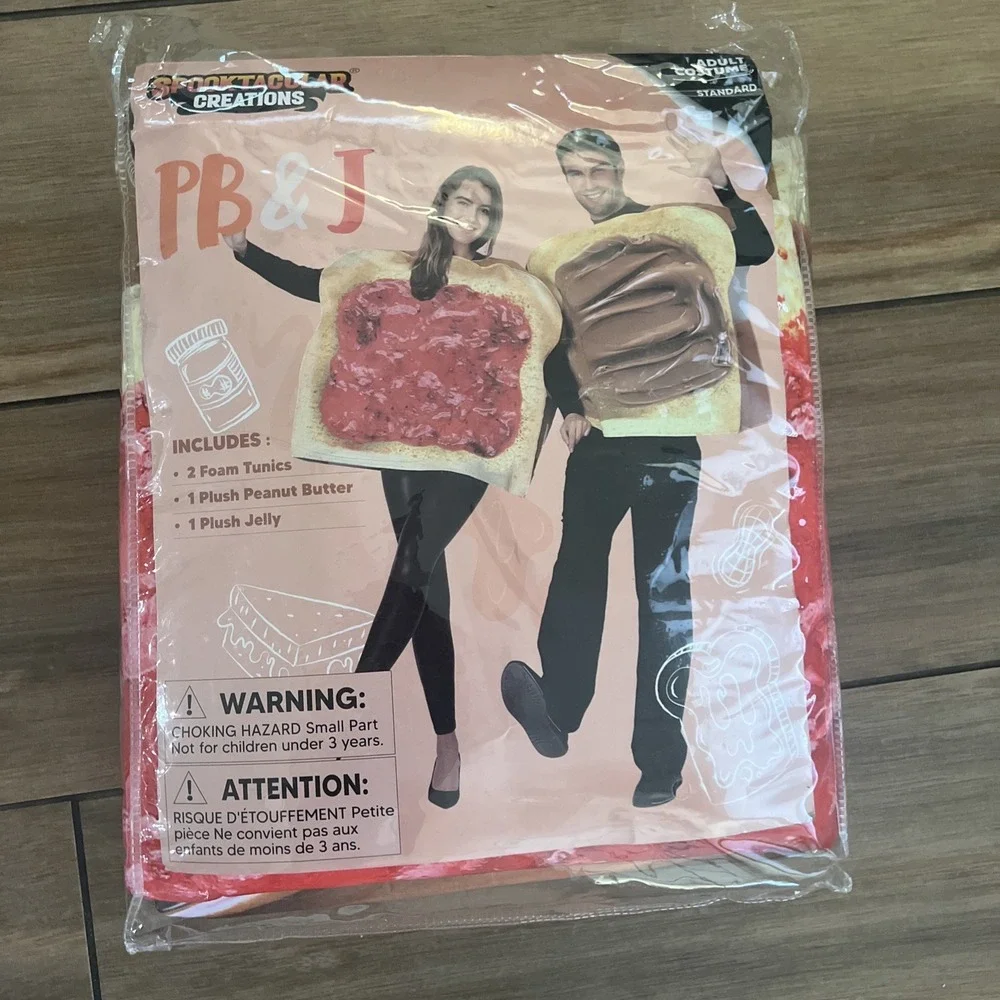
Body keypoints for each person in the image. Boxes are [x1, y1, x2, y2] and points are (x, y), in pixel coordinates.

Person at [501, 123, 775, 808]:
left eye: (597, 170)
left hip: (672, 438)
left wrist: (722, 185)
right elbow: (554, 345)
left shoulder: (672, 232)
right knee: (577, 573)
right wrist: (569, 405)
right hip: (599, 439)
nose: (588, 185)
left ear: (618, 169)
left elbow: (755, 249)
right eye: (575, 174)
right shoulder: (565, 260)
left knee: (661, 597)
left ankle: (658, 762)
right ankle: (559, 712)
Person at [226, 166, 506, 809]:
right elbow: (324, 287)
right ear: (440, 204)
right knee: (428, 590)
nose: (471, 214)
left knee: (412, 565)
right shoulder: (396, 271)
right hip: (399, 441)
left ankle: (346, 710)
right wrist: (246, 252)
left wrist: (571, 406)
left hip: (469, 448)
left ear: (492, 223)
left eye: (484, 208)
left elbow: (533, 350)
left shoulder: (503, 283)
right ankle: (448, 747)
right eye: (462, 200)